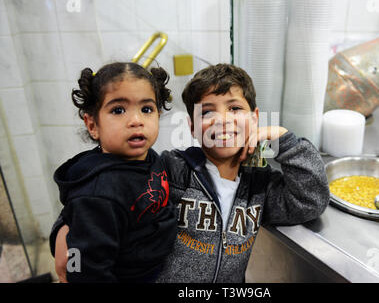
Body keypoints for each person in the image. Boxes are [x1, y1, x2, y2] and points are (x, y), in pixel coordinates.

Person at [51, 63, 330, 283]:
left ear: (255, 117)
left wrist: (285, 141)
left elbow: (309, 202)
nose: (222, 120)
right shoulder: (171, 169)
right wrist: (63, 229)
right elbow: (104, 194)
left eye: (235, 108)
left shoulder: (260, 185)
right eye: (207, 112)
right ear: (193, 127)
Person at [51, 62, 177, 282]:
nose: (136, 121)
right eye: (118, 110)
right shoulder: (98, 193)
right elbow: (84, 269)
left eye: (146, 109)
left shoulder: (147, 157)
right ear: (93, 125)